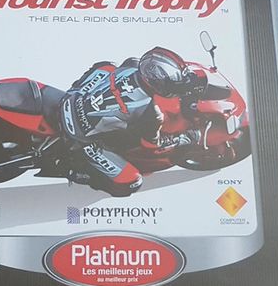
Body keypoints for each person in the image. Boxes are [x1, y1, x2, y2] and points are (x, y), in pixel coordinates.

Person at [60, 47, 207, 196]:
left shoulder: (132, 64)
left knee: (107, 66)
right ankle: (79, 173)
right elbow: (152, 146)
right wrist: (185, 138)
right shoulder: (151, 113)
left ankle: (72, 92)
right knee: (132, 182)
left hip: (72, 100)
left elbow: (104, 68)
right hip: (81, 138)